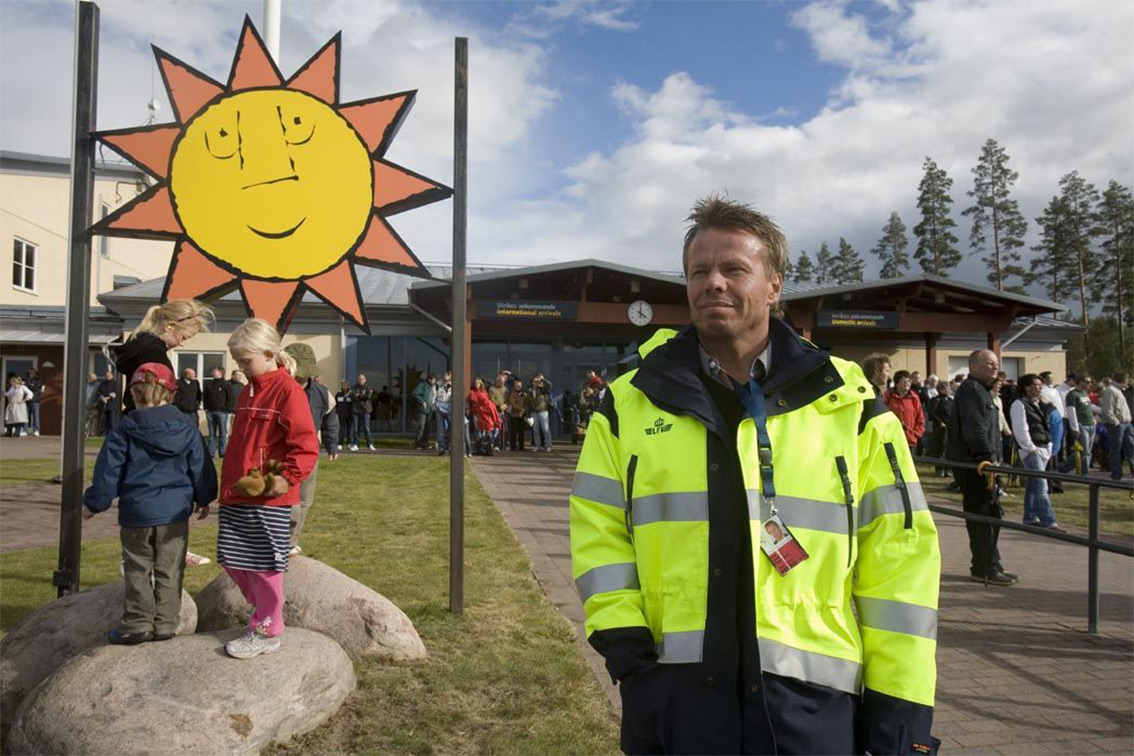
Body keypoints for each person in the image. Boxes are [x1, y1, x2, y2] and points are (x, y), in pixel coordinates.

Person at [570, 195, 940, 755]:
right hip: (674, 695)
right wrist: (626, 650)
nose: (713, 282)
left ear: (774, 285)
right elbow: (598, 531)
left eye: (734, 269)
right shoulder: (629, 402)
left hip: (811, 706)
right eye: (699, 271)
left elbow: (900, 563)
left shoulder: (850, 404)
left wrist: (899, 715)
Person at [81, 363, 216, 644]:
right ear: (172, 393)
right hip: (174, 512)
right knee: (170, 567)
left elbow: (108, 472)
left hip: (137, 511)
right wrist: (204, 498)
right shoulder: (187, 427)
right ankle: (166, 622)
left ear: (134, 393)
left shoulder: (124, 429)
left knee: (137, 567)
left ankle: (138, 622)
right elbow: (200, 465)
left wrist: (96, 503)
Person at [219, 319, 318, 659]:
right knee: (231, 558)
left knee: (263, 564)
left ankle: (267, 628)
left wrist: (282, 480)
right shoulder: (248, 389)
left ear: (268, 353)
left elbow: (305, 446)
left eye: (245, 360)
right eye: (238, 361)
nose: (241, 367)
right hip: (238, 491)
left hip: (268, 497)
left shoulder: (288, 391)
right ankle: (264, 610)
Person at [946, 349, 1017, 587]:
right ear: (973, 366)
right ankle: (984, 568)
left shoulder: (982, 392)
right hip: (976, 467)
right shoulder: (971, 391)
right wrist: (986, 457)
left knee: (990, 516)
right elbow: (974, 427)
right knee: (982, 518)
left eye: (996, 364)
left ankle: (991, 563)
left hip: (985, 466)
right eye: (989, 364)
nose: (994, 368)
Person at [282, 343, 338, 556]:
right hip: (281, 451)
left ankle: (290, 541)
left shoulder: (322, 394)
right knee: (288, 500)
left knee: (304, 500)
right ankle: (279, 539)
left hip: (308, 452)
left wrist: (332, 444)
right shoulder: (277, 389)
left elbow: (331, 419)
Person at [114, 300, 212, 415]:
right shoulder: (153, 352)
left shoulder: (139, 344)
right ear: (169, 326)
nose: (182, 343)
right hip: (152, 422)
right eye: (183, 337)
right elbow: (155, 399)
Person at [1009, 374, 1060, 530]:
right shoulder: (1019, 403)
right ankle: (1048, 520)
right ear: (1025, 387)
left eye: (1039, 385)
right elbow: (1020, 428)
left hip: (1043, 446)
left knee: (1033, 484)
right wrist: (1030, 447)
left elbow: (1044, 424)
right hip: (1031, 449)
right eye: (1034, 385)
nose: (1038, 388)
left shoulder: (1039, 403)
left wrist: (1049, 444)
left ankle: (1030, 516)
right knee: (1041, 485)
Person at [1100, 371, 1133, 481]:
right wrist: (1115, 422)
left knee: (1131, 447)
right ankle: (1116, 474)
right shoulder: (1110, 391)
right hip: (1117, 425)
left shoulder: (1118, 391)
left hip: (1126, 423)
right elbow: (1106, 410)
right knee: (1116, 449)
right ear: (1123, 381)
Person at [884, 370, 925, 456]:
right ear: (897, 383)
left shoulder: (914, 398)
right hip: (892, 438)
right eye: (904, 381)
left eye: (909, 381)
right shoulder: (888, 396)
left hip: (909, 439)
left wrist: (915, 434)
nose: (907, 383)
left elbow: (920, 418)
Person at [1065, 375, 1096, 474]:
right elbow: (1071, 410)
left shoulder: (1084, 393)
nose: (1089, 384)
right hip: (1081, 425)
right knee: (1084, 451)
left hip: (1090, 424)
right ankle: (1083, 472)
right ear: (1080, 382)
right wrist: (1075, 427)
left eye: (1090, 382)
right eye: (1087, 382)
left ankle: (1065, 468)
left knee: (1087, 451)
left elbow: (1088, 407)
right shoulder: (1072, 394)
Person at [203, 366, 232, 458]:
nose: (212, 373)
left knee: (223, 432)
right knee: (211, 433)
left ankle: (222, 451)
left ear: (220, 373)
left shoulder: (226, 384)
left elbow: (230, 397)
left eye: (214, 371)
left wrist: (226, 408)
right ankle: (211, 452)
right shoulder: (209, 384)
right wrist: (206, 407)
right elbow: (205, 396)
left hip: (222, 412)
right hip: (210, 411)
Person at [927, 379, 953, 476]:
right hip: (940, 428)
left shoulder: (950, 400)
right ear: (941, 389)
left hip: (950, 428)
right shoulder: (936, 400)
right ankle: (939, 469)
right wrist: (940, 422)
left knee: (949, 449)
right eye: (947, 388)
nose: (949, 390)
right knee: (940, 448)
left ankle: (948, 469)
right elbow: (931, 413)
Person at [350, 374, 376, 451]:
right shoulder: (353, 387)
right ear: (357, 380)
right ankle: (356, 444)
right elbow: (351, 396)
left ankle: (370, 444)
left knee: (366, 428)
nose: (361, 380)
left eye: (362, 379)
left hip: (365, 411)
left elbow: (368, 396)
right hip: (355, 410)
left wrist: (359, 395)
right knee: (355, 429)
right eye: (359, 379)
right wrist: (361, 396)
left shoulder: (368, 387)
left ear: (365, 380)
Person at [411, 373, 436, 450]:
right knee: (421, 426)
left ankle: (425, 443)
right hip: (422, 409)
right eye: (432, 380)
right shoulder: (422, 385)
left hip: (430, 409)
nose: (434, 381)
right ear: (429, 379)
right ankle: (418, 444)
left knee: (427, 427)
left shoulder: (434, 387)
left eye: (435, 380)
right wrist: (422, 401)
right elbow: (415, 394)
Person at [530, 374, 554, 452]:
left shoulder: (543, 389)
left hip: (543, 410)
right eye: (535, 381)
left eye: (537, 381)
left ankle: (548, 445)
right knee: (535, 430)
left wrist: (542, 380)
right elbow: (527, 403)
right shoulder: (530, 390)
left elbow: (549, 385)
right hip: (534, 412)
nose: (536, 383)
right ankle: (537, 445)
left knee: (545, 429)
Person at [505, 378, 529, 451]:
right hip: (514, 415)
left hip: (522, 415)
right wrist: (520, 409)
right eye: (517, 386)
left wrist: (524, 410)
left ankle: (521, 446)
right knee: (514, 431)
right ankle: (513, 446)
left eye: (520, 385)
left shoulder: (525, 394)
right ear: (514, 386)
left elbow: (527, 403)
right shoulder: (512, 394)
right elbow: (512, 403)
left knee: (521, 431)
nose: (519, 387)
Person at [434, 371, 453, 455]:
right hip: (439, 408)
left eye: (447, 375)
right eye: (444, 375)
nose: (445, 376)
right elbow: (432, 396)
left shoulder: (454, 385)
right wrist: (435, 406)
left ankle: (451, 447)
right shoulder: (437, 385)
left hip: (450, 409)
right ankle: (441, 447)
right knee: (440, 429)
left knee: (451, 428)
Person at [24, 367, 43, 436]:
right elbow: (23, 387)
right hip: (26, 400)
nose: (32, 372)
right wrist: (29, 386)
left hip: (35, 400)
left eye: (33, 371)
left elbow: (36, 388)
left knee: (36, 417)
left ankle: (36, 430)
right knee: (25, 416)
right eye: (30, 371)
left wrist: (28, 386)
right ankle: (25, 430)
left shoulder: (38, 380)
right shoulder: (25, 379)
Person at [98, 370, 119, 435]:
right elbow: (99, 392)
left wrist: (107, 398)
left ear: (112, 375)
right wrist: (102, 398)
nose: (107, 377)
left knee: (111, 422)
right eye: (106, 375)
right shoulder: (103, 384)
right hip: (103, 405)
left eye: (109, 375)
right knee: (104, 422)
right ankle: (104, 434)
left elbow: (116, 393)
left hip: (112, 405)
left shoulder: (115, 383)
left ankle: (112, 434)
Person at [335, 380, 354, 445]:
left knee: (350, 430)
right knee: (341, 430)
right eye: (343, 385)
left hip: (350, 415)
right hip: (341, 415)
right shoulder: (338, 394)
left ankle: (350, 443)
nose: (345, 386)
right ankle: (340, 443)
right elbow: (336, 404)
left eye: (346, 385)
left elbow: (354, 404)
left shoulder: (352, 394)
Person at [85, 372, 102, 437]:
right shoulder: (86, 385)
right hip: (86, 405)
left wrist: (96, 404)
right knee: (85, 419)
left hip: (94, 406)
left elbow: (100, 396)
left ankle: (92, 434)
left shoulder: (98, 385)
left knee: (94, 421)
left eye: (93, 378)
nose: (92, 379)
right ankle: (86, 432)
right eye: (91, 378)